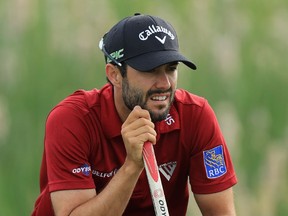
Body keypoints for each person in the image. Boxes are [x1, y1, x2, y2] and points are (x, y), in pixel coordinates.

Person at [31, 13, 237, 216]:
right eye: (150, 70)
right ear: (114, 75)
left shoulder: (195, 115)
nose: (165, 83)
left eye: (171, 69)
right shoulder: (72, 120)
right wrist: (132, 165)